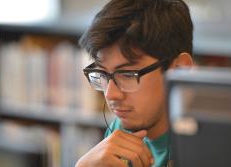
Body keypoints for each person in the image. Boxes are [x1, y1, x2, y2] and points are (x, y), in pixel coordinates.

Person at [76, 0, 194, 166]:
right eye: (102, 73)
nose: (111, 94)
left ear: (179, 70)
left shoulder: (209, 148)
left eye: (127, 75)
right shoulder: (120, 129)